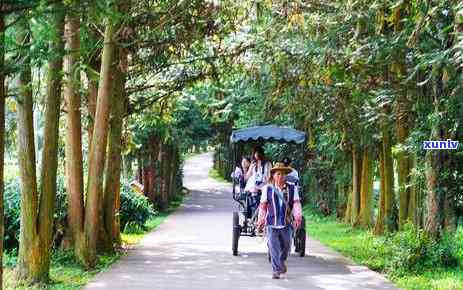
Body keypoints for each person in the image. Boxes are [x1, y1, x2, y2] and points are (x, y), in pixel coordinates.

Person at [256, 162, 303, 279]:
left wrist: (298, 216)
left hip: (286, 224)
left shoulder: (292, 188)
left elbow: (296, 204)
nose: (280, 176)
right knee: (273, 246)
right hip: (271, 223)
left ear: (285, 175)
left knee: (287, 246)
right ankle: (276, 270)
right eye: (278, 174)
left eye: (282, 174)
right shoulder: (267, 189)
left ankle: (281, 262)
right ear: (273, 175)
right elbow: (263, 206)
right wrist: (261, 220)